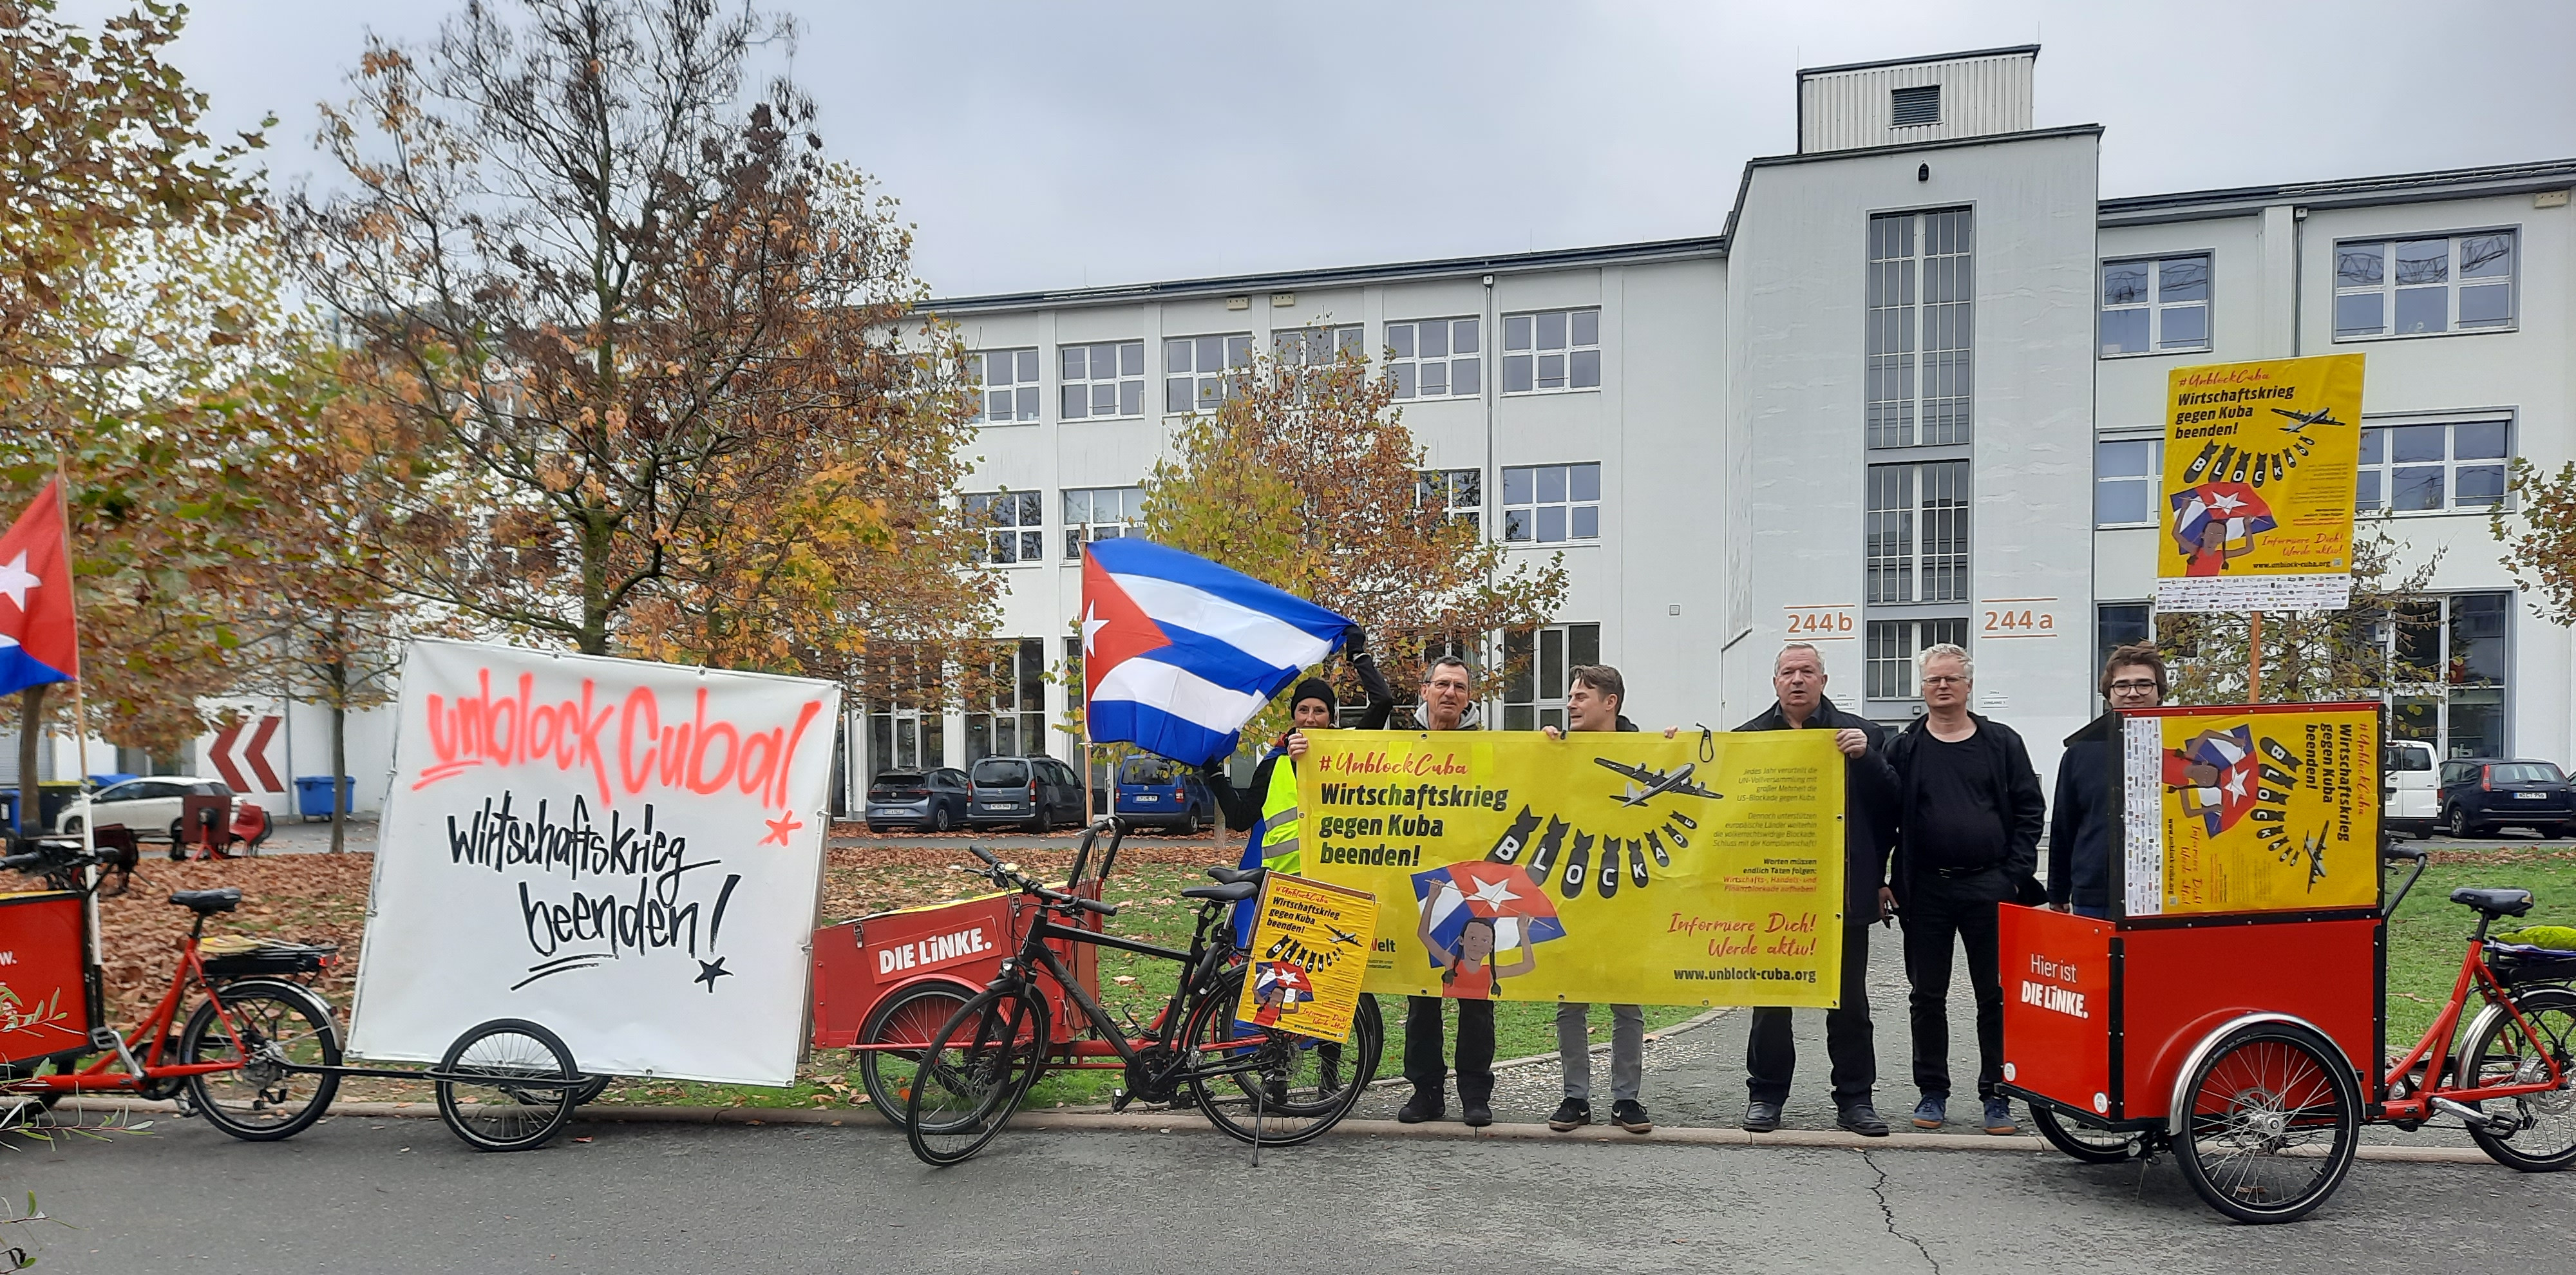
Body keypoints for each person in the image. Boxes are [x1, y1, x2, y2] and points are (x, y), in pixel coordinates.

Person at [1734, 643, 1899, 1138]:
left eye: (1807, 671)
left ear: (1824, 680)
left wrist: (1867, 759)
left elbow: (1892, 807)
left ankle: (1856, 1101)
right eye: (1788, 672)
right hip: (1773, 892)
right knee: (1770, 1002)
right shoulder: (1748, 738)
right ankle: (1765, 1096)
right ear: (1776, 682)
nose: (1798, 680)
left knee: (1849, 1003)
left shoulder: (1862, 734)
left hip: (1842, 893)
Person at [1883, 643, 2045, 1137]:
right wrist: (1885, 880)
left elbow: (2029, 811)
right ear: (1923, 687)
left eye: (1952, 678)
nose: (1943, 686)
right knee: (1926, 995)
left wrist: (2013, 875)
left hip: (1990, 886)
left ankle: (1996, 1094)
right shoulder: (1905, 748)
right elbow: (1884, 818)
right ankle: (1932, 1091)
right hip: (1926, 889)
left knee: (1994, 995)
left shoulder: (2001, 743)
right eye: (1933, 679)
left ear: (1968, 685)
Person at [1538, 664, 1655, 1135]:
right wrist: (1536, 752)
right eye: (1571, 696)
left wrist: (1674, 745)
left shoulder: (1646, 754)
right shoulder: (1558, 750)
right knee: (1571, 1002)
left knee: (1627, 1004)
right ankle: (1575, 1098)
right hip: (1572, 892)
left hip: (1625, 895)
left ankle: (1627, 1101)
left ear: (1611, 702)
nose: (1571, 704)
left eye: (1582, 696)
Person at [1202, 626, 1394, 892]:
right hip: (1284, 886)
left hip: (1337, 878)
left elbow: (1383, 701)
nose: (1311, 718)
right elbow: (1240, 818)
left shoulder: (1349, 754)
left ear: (1331, 718)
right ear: (1294, 715)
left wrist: (1358, 654)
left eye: (1320, 711)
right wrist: (1211, 770)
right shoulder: (1274, 762)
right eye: (1303, 710)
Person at [1399, 656, 1495, 1127]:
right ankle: (1426, 1092)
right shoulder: (1399, 747)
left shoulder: (1490, 749)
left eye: (1459, 686)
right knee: (1422, 998)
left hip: (1476, 888)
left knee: (1476, 998)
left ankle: (1475, 1093)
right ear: (1424, 691)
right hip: (1422, 884)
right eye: (1442, 684)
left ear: (1469, 697)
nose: (1450, 693)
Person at [2051, 645, 2168, 920]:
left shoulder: (2184, 748)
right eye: (2122, 686)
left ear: (2160, 692)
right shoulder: (2082, 751)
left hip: (2169, 890)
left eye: (2143, 685)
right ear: (2109, 694)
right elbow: (2064, 825)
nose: (2133, 693)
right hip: (2096, 892)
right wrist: (2057, 891)